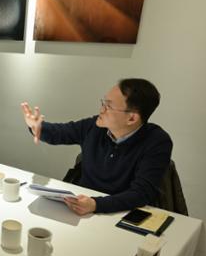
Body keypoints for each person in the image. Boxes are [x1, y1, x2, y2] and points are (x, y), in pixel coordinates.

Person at [21, 78, 173, 215]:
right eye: (103, 103)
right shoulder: (95, 127)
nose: (101, 110)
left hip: (120, 213)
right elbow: (60, 133)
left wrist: (96, 204)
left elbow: (141, 193)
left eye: (108, 106)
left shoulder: (157, 142)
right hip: (80, 206)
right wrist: (37, 126)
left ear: (132, 118)